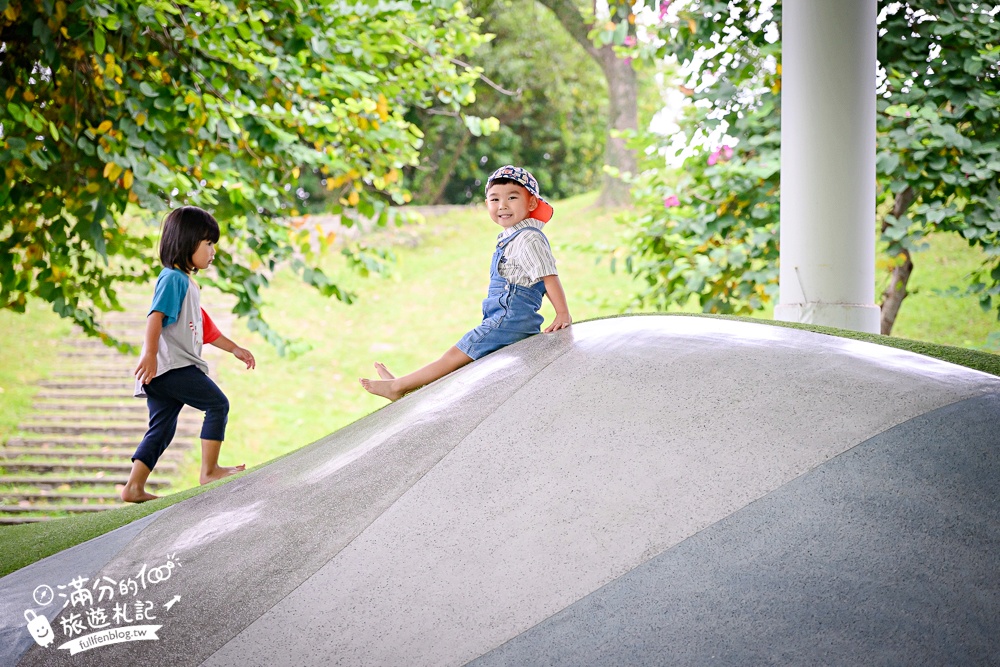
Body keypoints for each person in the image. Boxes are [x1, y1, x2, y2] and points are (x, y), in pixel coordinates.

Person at [360, 165, 571, 402]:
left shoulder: (528, 238)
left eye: (512, 197)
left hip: (509, 321)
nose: (502, 205)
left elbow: (548, 275)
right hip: (502, 318)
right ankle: (406, 387)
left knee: (454, 356)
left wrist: (562, 314)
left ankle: (399, 387)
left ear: (531, 203)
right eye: (494, 199)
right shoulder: (511, 237)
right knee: (462, 362)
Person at [121, 206, 256, 503]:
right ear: (186, 242)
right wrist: (151, 355)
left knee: (163, 428)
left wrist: (235, 348)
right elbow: (155, 316)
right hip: (171, 367)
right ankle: (209, 471)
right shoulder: (173, 279)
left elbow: (206, 329)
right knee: (218, 404)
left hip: (164, 371)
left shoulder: (187, 284)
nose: (213, 251)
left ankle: (134, 487)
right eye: (207, 243)